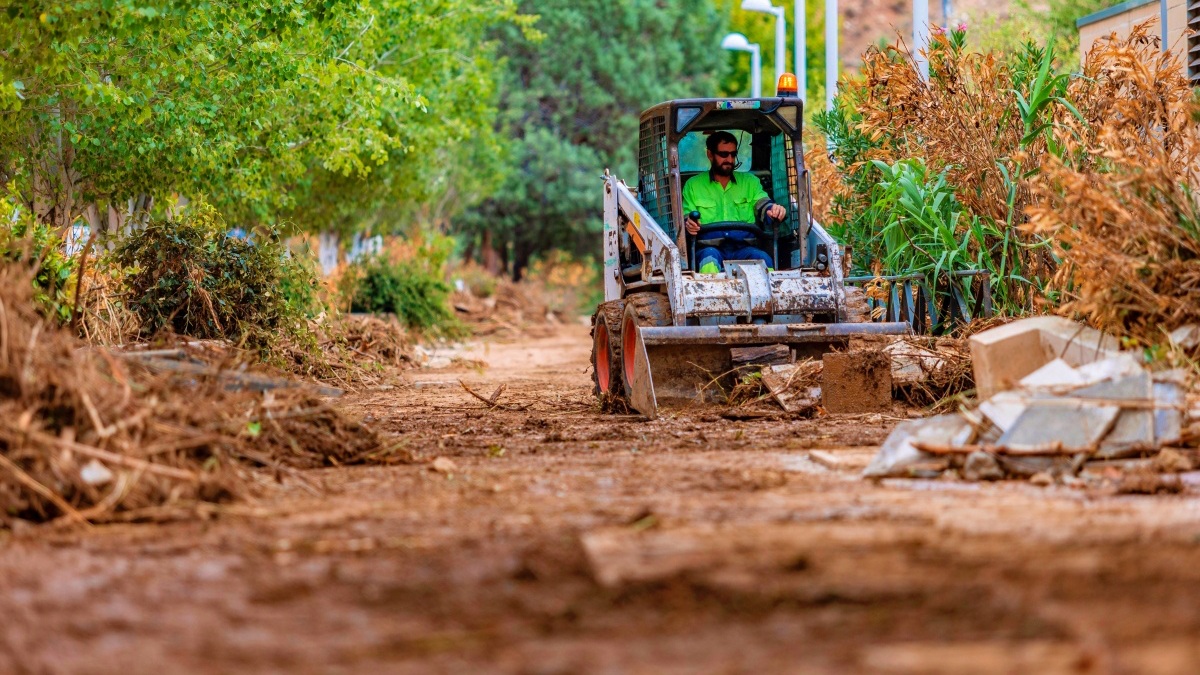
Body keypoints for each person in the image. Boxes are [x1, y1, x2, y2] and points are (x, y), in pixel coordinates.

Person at [682, 131, 786, 274]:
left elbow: (764, 205)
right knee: (708, 261)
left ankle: (772, 296)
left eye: (733, 154)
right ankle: (714, 296)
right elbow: (687, 217)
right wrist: (690, 224)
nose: (730, 160)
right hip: (709, 249)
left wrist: (774, 210)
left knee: (763, 260)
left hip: (744, 248)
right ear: (710, 155)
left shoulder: (750, 182)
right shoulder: (693, 185)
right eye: (724, 154)